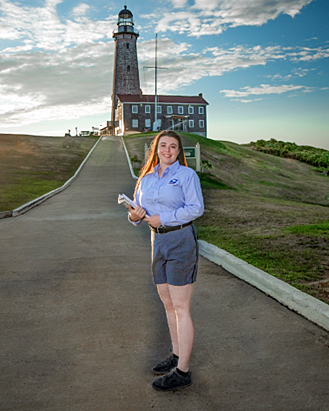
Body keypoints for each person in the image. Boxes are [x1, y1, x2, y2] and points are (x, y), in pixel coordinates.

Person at [128, 130, 204, 391]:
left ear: (178, 151)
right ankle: (175, 353)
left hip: (181, 241)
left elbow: (196, 208)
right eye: (163, 145)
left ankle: (183, 372)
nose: (167, 150)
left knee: (181, 306)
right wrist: (134, 216)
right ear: (156, 149)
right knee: (168, 303)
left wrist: (165, 219)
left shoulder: (186, 175)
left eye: (173, 146)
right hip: (156, 241)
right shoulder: (146, 179)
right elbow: (137, 211)